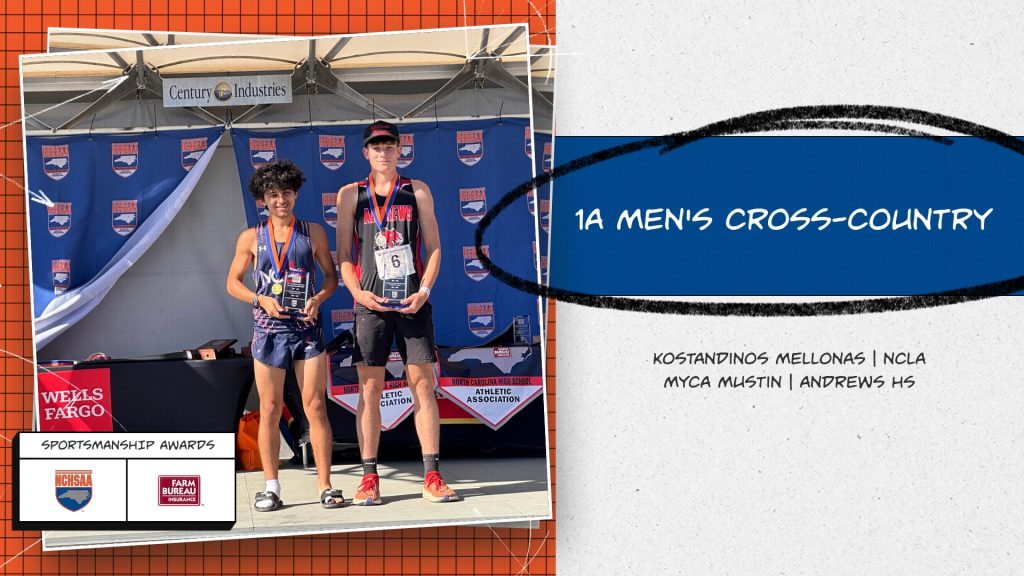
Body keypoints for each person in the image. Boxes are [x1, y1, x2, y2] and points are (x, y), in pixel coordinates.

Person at [336, 120, 459, 505]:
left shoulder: (417, 190)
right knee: (370, 389)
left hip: (411, 302)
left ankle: (432, 476)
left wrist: (424, 291)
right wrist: (358, 293)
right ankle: (369, 478)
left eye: (390, 145)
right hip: (370, 304)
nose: (383, 152)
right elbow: (343, 256)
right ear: (366, 152)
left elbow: (434, 248)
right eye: (377, 146)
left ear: (400, 149)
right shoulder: (350, 194)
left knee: (422, 385)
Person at [227, 159, 343, 511]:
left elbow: (331, 276)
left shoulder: (313, 232)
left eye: (287, 193)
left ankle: (325, 485)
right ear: (262, 199)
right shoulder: (251, 237)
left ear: (296, 194)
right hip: (268, 330)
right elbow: (232, 283)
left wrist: (318, 299)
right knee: (270, 407)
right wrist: (258, 298)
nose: (281, 200)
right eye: (273, 195)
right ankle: (271, 486)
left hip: (307, 328)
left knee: (315, 405)